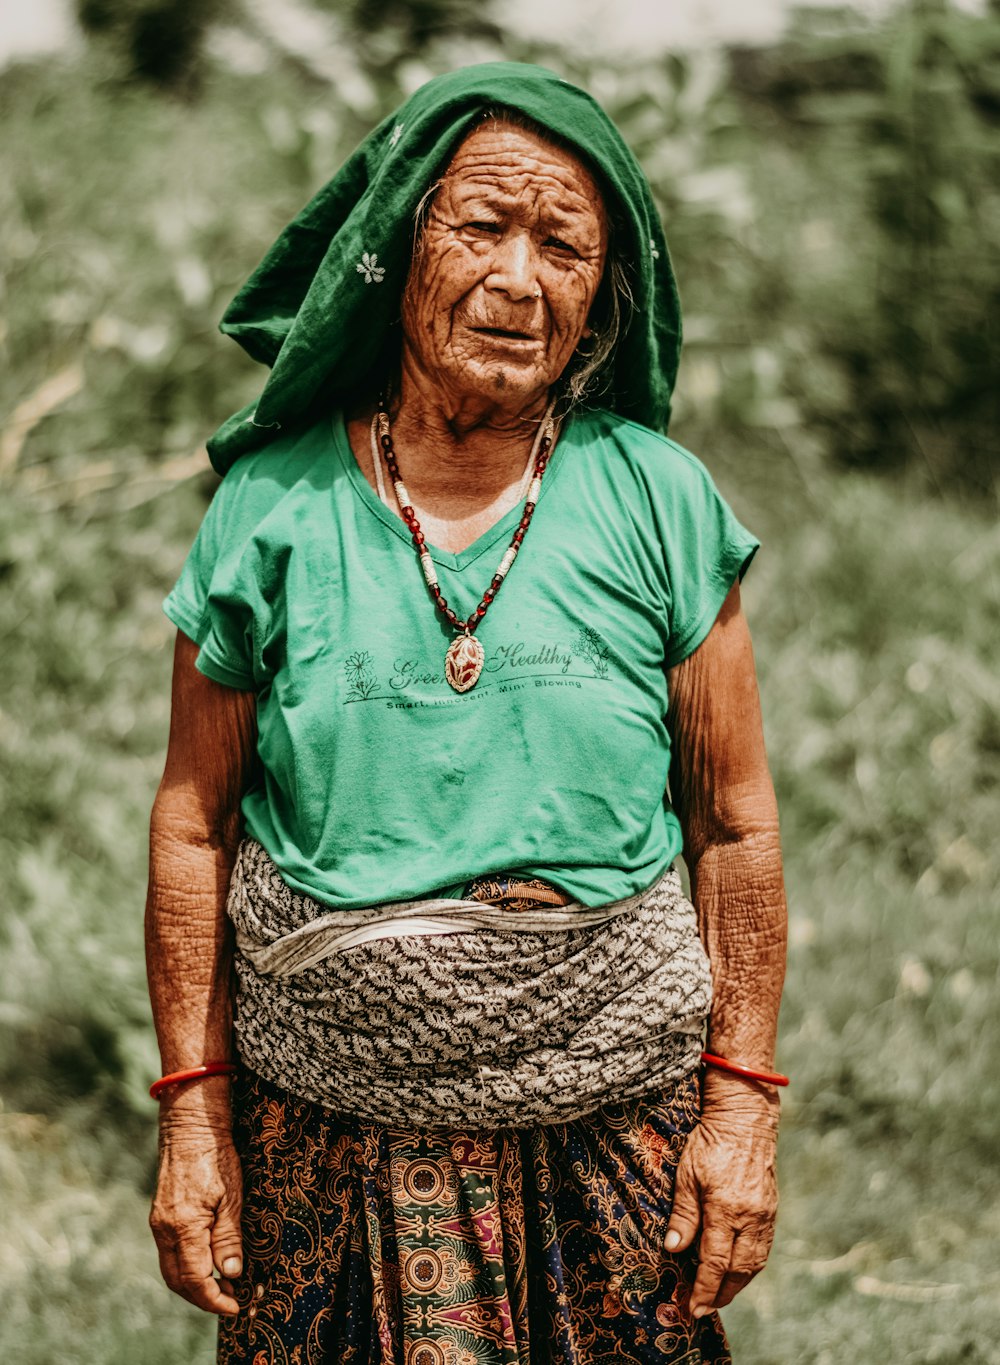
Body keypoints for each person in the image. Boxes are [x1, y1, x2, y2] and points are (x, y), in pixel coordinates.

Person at [146, 62, 787, 1365]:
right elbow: (191, 827)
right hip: (325, 1135)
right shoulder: (272, 507)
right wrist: (192, 1116)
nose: (519, 276)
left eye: (564, 245)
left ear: (599, 296)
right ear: (393, 252)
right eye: (481, 224)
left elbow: (735, 827)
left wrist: (743, 1112)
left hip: (614, 1121)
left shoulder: (660, 502)